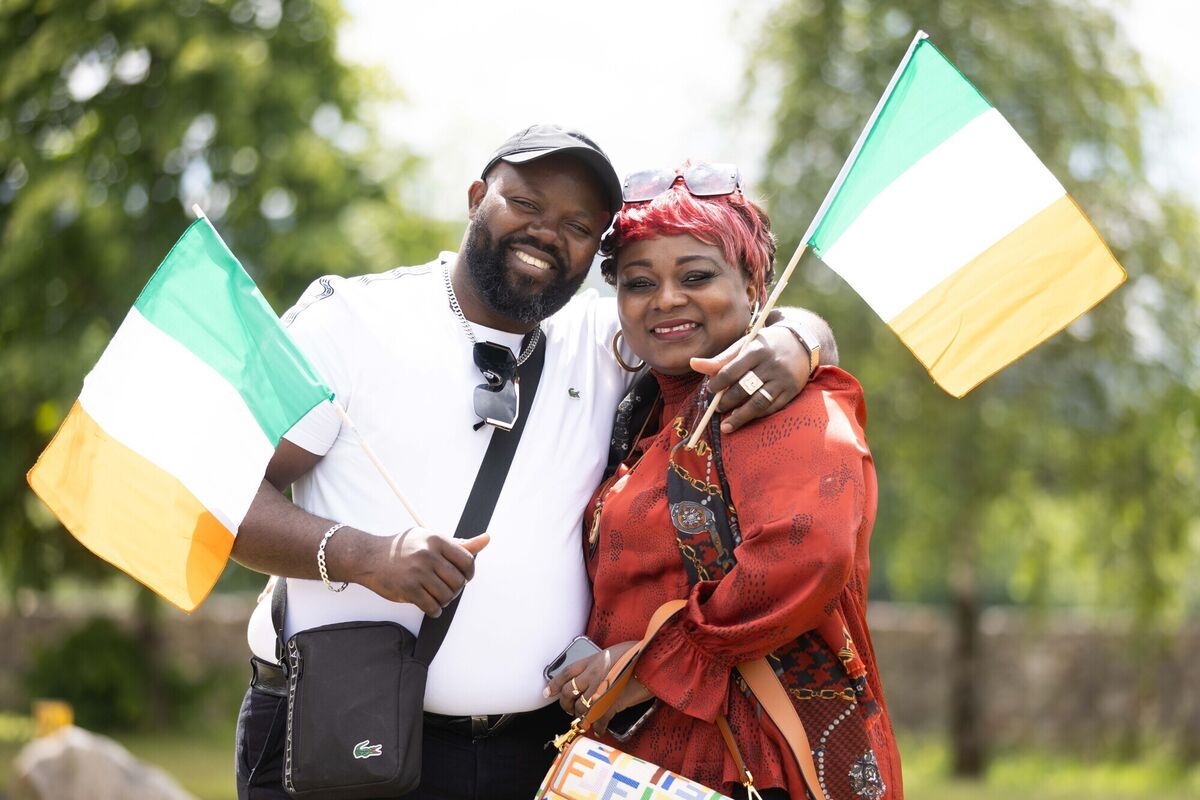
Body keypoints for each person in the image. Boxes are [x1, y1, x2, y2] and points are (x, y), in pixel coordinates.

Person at [231, 127, 838, 800]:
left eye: (578, 223)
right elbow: (225, 496)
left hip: (529, 753)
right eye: (524, 202)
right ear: (474, 198)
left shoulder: (603, 343)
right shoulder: (351, 320)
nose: (547, 231)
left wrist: (802, 335)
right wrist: (365, 557)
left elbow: (713, 311)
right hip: (341, 738)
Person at [546, 162, 901, 800]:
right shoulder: (641, 409)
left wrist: (643, 667)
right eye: (638, 282)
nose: (666, 299)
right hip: (633, 768)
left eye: (697, 276)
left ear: (752, 282)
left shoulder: (787, 401)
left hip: (756, 763)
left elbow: (806, 554)